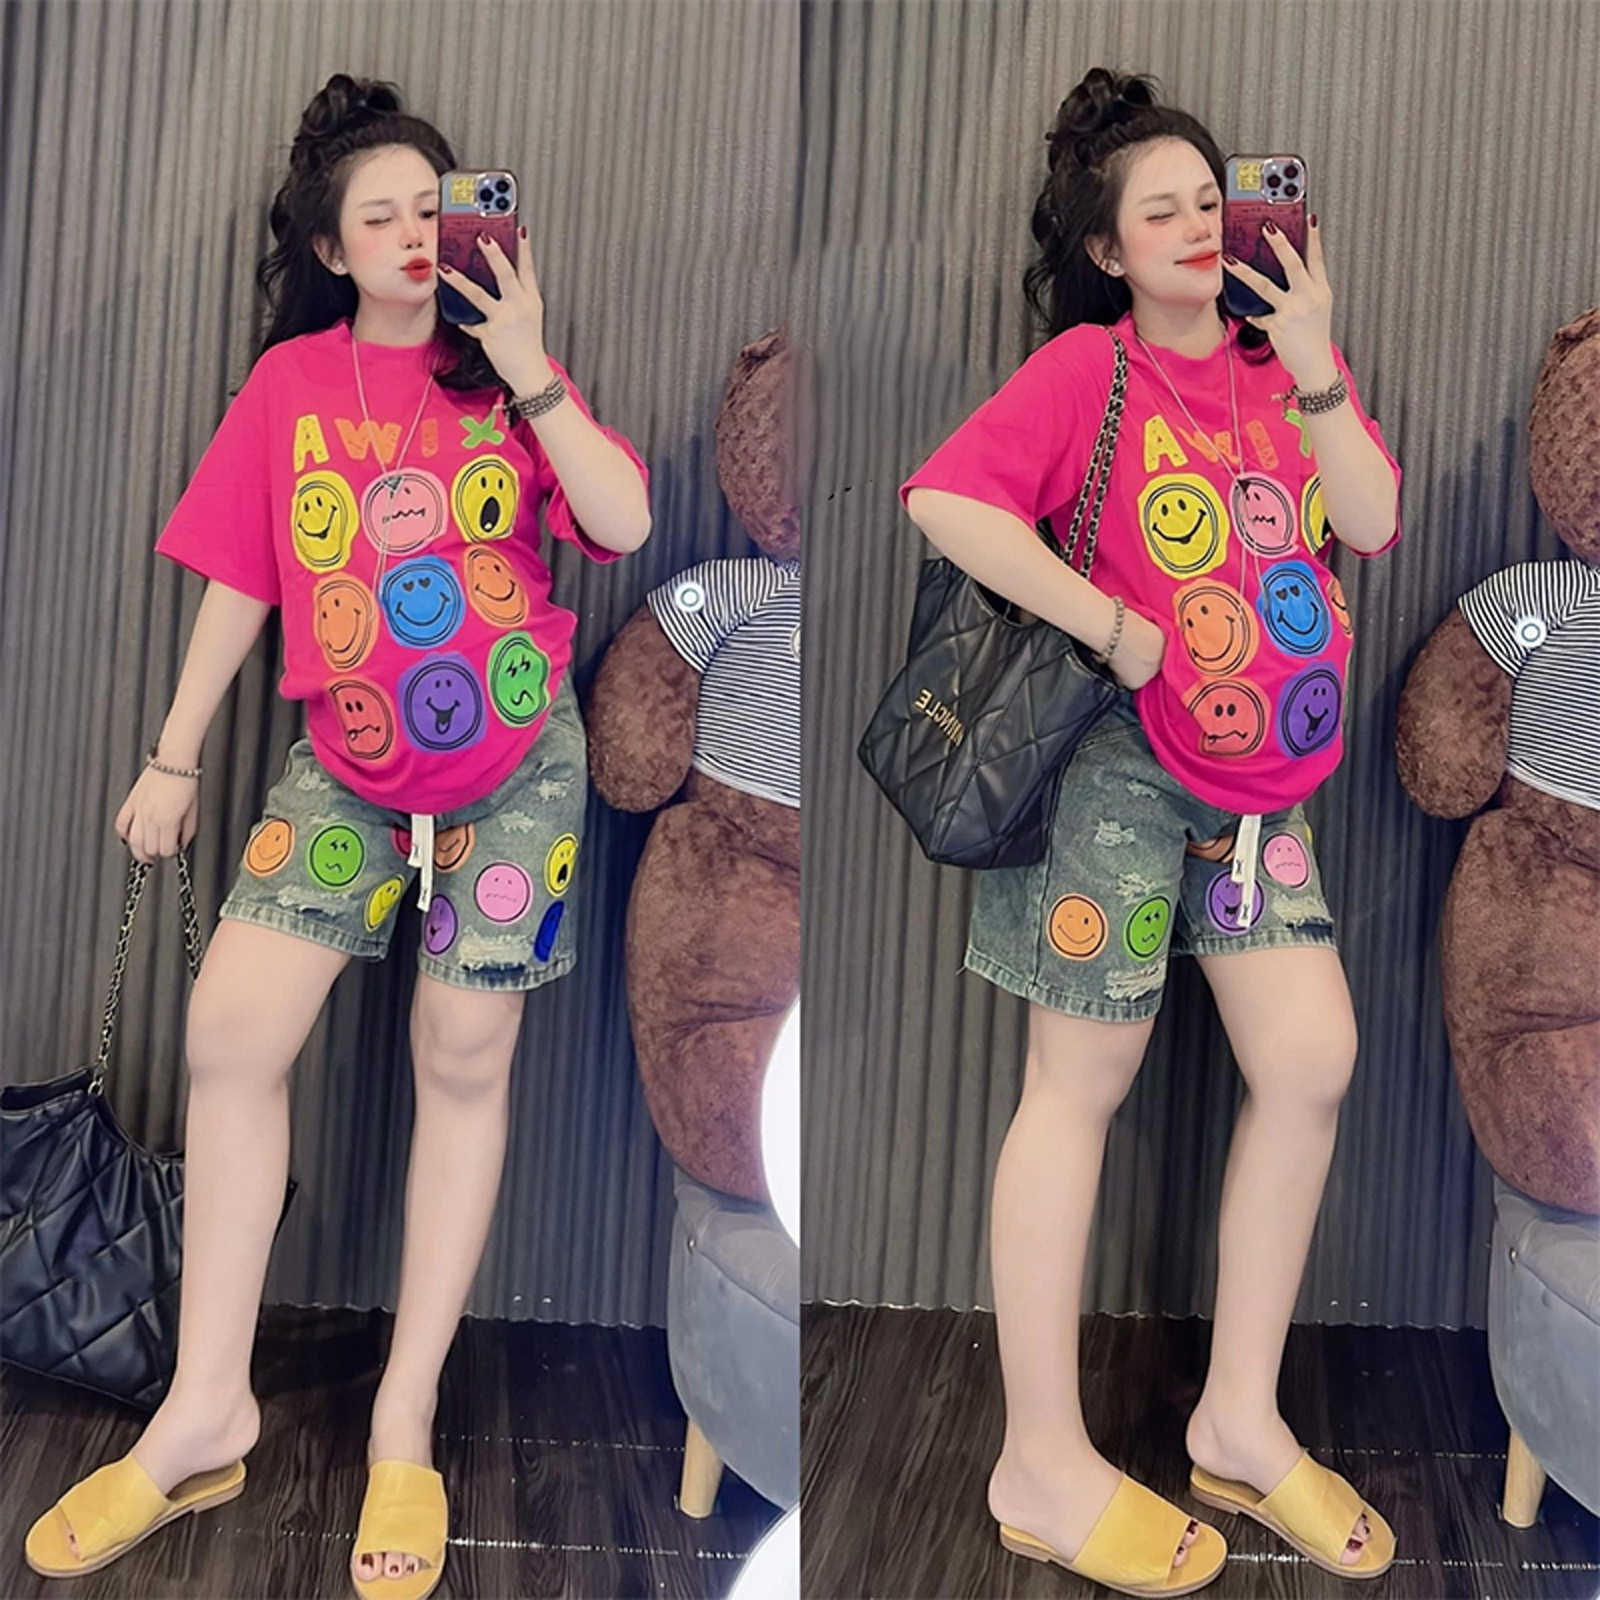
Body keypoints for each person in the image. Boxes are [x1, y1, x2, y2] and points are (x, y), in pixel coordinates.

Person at [24, 74, 650, 1600]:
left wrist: (532, 368)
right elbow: (244, 574)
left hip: (518, 770)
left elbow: (624, 525)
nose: (417, 233)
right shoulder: (293, 385)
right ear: (330, 247)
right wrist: (174, 755)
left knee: (465, 1058)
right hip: (346, 771)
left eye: (437, 207)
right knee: (232, 1031)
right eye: (383, 215)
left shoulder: (509, 377)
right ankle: (205, 1408)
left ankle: (404, 1421)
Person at [901, 68, 1401, 1597]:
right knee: (1078, 1085)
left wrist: (1312, 360)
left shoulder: (1284, 368)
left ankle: (1238, 1421)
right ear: (1108, 248)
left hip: (1256, 796)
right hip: (1115, 773)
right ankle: (1039, 1463)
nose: (1196, 225)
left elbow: (1371, 523)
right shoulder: (1087, 371)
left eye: (1212, 201)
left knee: (1310, 1058)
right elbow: (943, 502)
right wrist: (1111, 624)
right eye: (1160, 209)